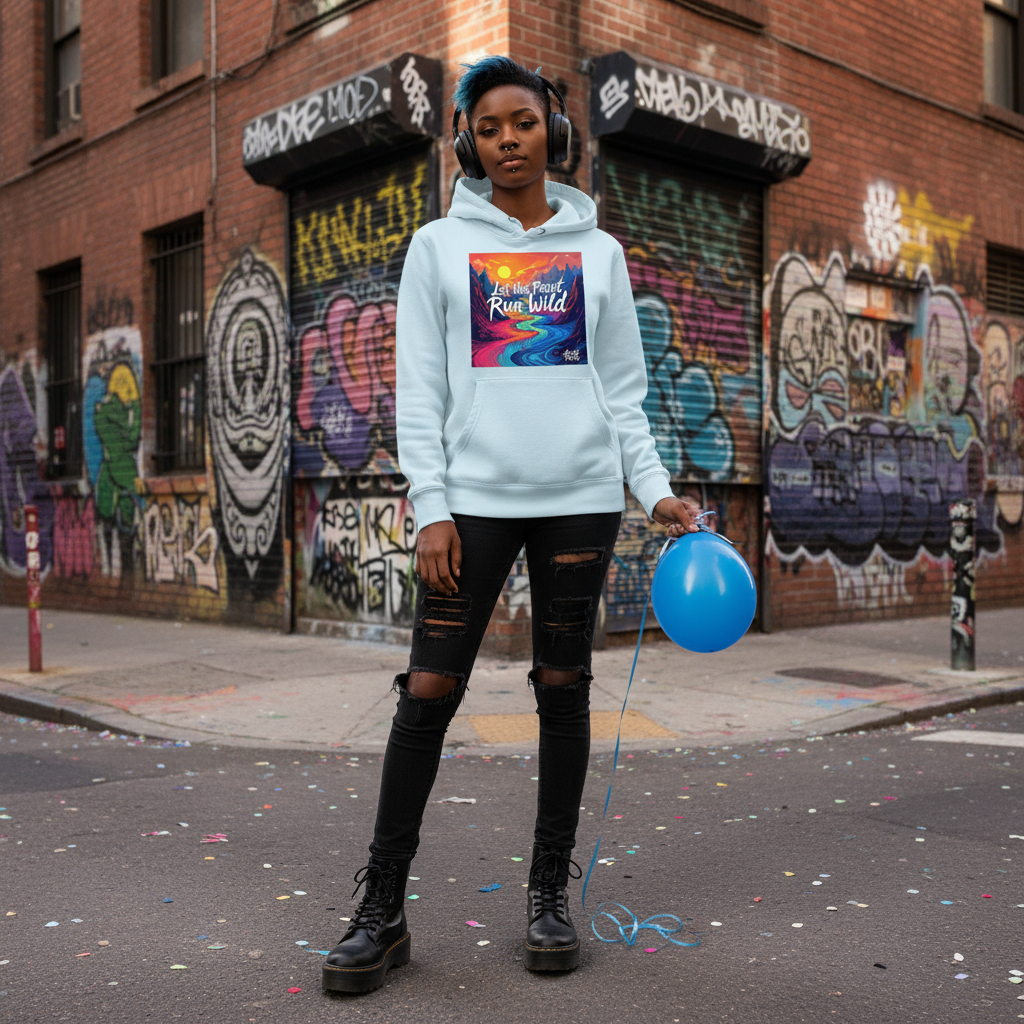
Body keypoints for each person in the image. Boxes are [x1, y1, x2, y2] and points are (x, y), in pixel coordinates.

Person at [322, 56, 698, 994]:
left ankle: (548, 899)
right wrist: (431, 507)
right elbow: (420, 391)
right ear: (467, 143)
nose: (508, 141)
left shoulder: (598, 253)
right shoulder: (437, 247)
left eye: (523, 122)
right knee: (428, 690)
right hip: (473, 508)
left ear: (553, 132)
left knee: (563, 688)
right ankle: (382, 910)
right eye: (488, 128)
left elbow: (623, 395)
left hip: (581, 501)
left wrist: (654, 491)